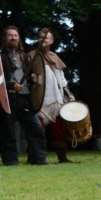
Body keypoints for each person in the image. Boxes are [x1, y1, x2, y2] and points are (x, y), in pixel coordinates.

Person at [0, 26, 47, 165]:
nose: (13, 38)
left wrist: (32, 77)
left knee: (35, 129)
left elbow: (32, 74)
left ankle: (38, 159)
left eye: (16, 35)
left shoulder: (25, 57)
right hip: (8, 98)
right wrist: (11, 85)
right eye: (10, 35)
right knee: (8, 131)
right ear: (4, 38)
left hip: (25, 99)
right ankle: (11, 161)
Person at [29, 28, 74, 163]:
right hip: (40, 98)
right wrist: (31, 78)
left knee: (59, 131)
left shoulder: (55, 57)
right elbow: (25, 77)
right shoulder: (31, 55)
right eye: (41, 37)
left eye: (46, 37)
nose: (43, 39)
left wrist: (70, 96)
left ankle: (63, 157)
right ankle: (35, 158)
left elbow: (62, 80)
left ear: (52, 41)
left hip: (57, 98)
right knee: (38, 130)